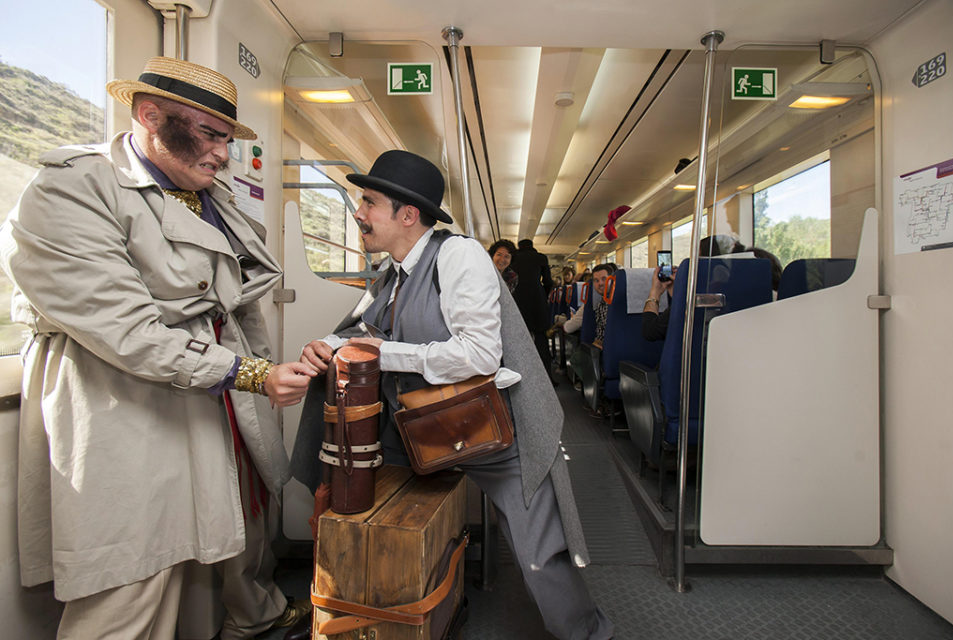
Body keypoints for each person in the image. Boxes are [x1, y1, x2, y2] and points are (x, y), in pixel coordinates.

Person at [0, 57, 317, 639]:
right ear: (149, 115)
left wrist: (253, 368)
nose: (222, 153)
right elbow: (126, 329)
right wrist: (252, 374)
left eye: (227, 139)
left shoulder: (209, 193)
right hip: (122, 399)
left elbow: (235, 291)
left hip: (206, 389)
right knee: (135, 566)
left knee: (224, 530)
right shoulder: (73, 188)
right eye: (210, 134)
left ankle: (249, 618)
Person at [293, 150, 613, 640]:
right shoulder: (393, 272)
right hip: (413, 427)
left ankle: (587, 634)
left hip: (486, 428)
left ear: (407, 215)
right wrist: (327, 345)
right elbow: (363, 327)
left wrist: (383, 354)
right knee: (360, 511)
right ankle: (365, 616)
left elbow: (480, 354)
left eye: (368, 202)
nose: (358, 213)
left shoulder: (458, 256)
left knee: (540, 555)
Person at [510, 237, 553, 374]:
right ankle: (547, 376)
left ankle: (523, 375)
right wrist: (542, 295)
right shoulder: (541, 258)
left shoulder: (514, 258)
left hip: (517, 301)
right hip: (537, 301)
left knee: (520, 341)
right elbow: (548, 282)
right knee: (541, 341)